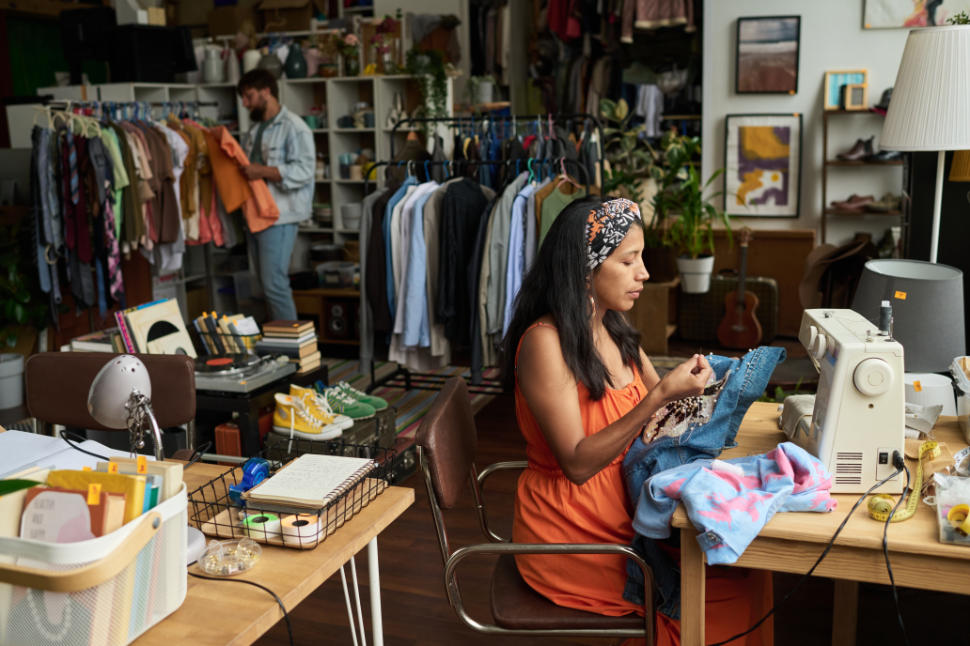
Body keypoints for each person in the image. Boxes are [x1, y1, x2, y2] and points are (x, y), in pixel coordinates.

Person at [501, 198, 773, 645]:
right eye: (628, 260)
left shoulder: (613, 329)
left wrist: (707, 388)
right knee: (717, 594)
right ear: (583, 271)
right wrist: (663, 394)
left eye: (640, 258)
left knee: (748, 571)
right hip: (575, 532)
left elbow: (663, 412)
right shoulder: (544, 344)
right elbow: (577, 463)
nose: (643, 272)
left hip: (630, 507)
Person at [236, 69, 315, 321]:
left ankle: (293, 349)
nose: (245, 103)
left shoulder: (295, 127)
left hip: (280, 215)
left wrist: (263, 171)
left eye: (249, 96)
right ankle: (276, 342)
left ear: (266, 92)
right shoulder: (256, 129)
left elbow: (304, 170)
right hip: (256, 213)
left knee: (274, 285)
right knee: (264, 285)